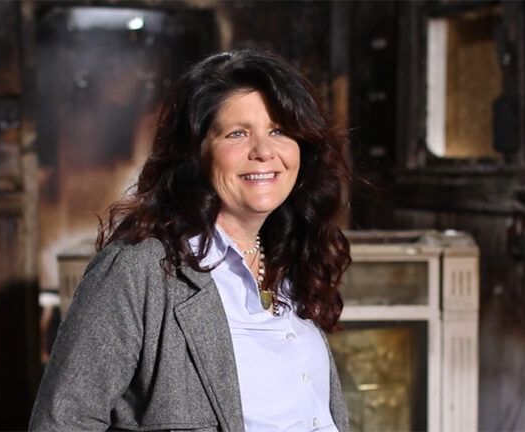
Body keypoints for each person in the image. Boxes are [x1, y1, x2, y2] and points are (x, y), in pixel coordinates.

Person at [30, 49, 352, 431]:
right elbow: (64, 421)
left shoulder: (291, 257)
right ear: (195, 153)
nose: (264, 152)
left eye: (279, 131)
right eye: (237, 133)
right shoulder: (141, 269)